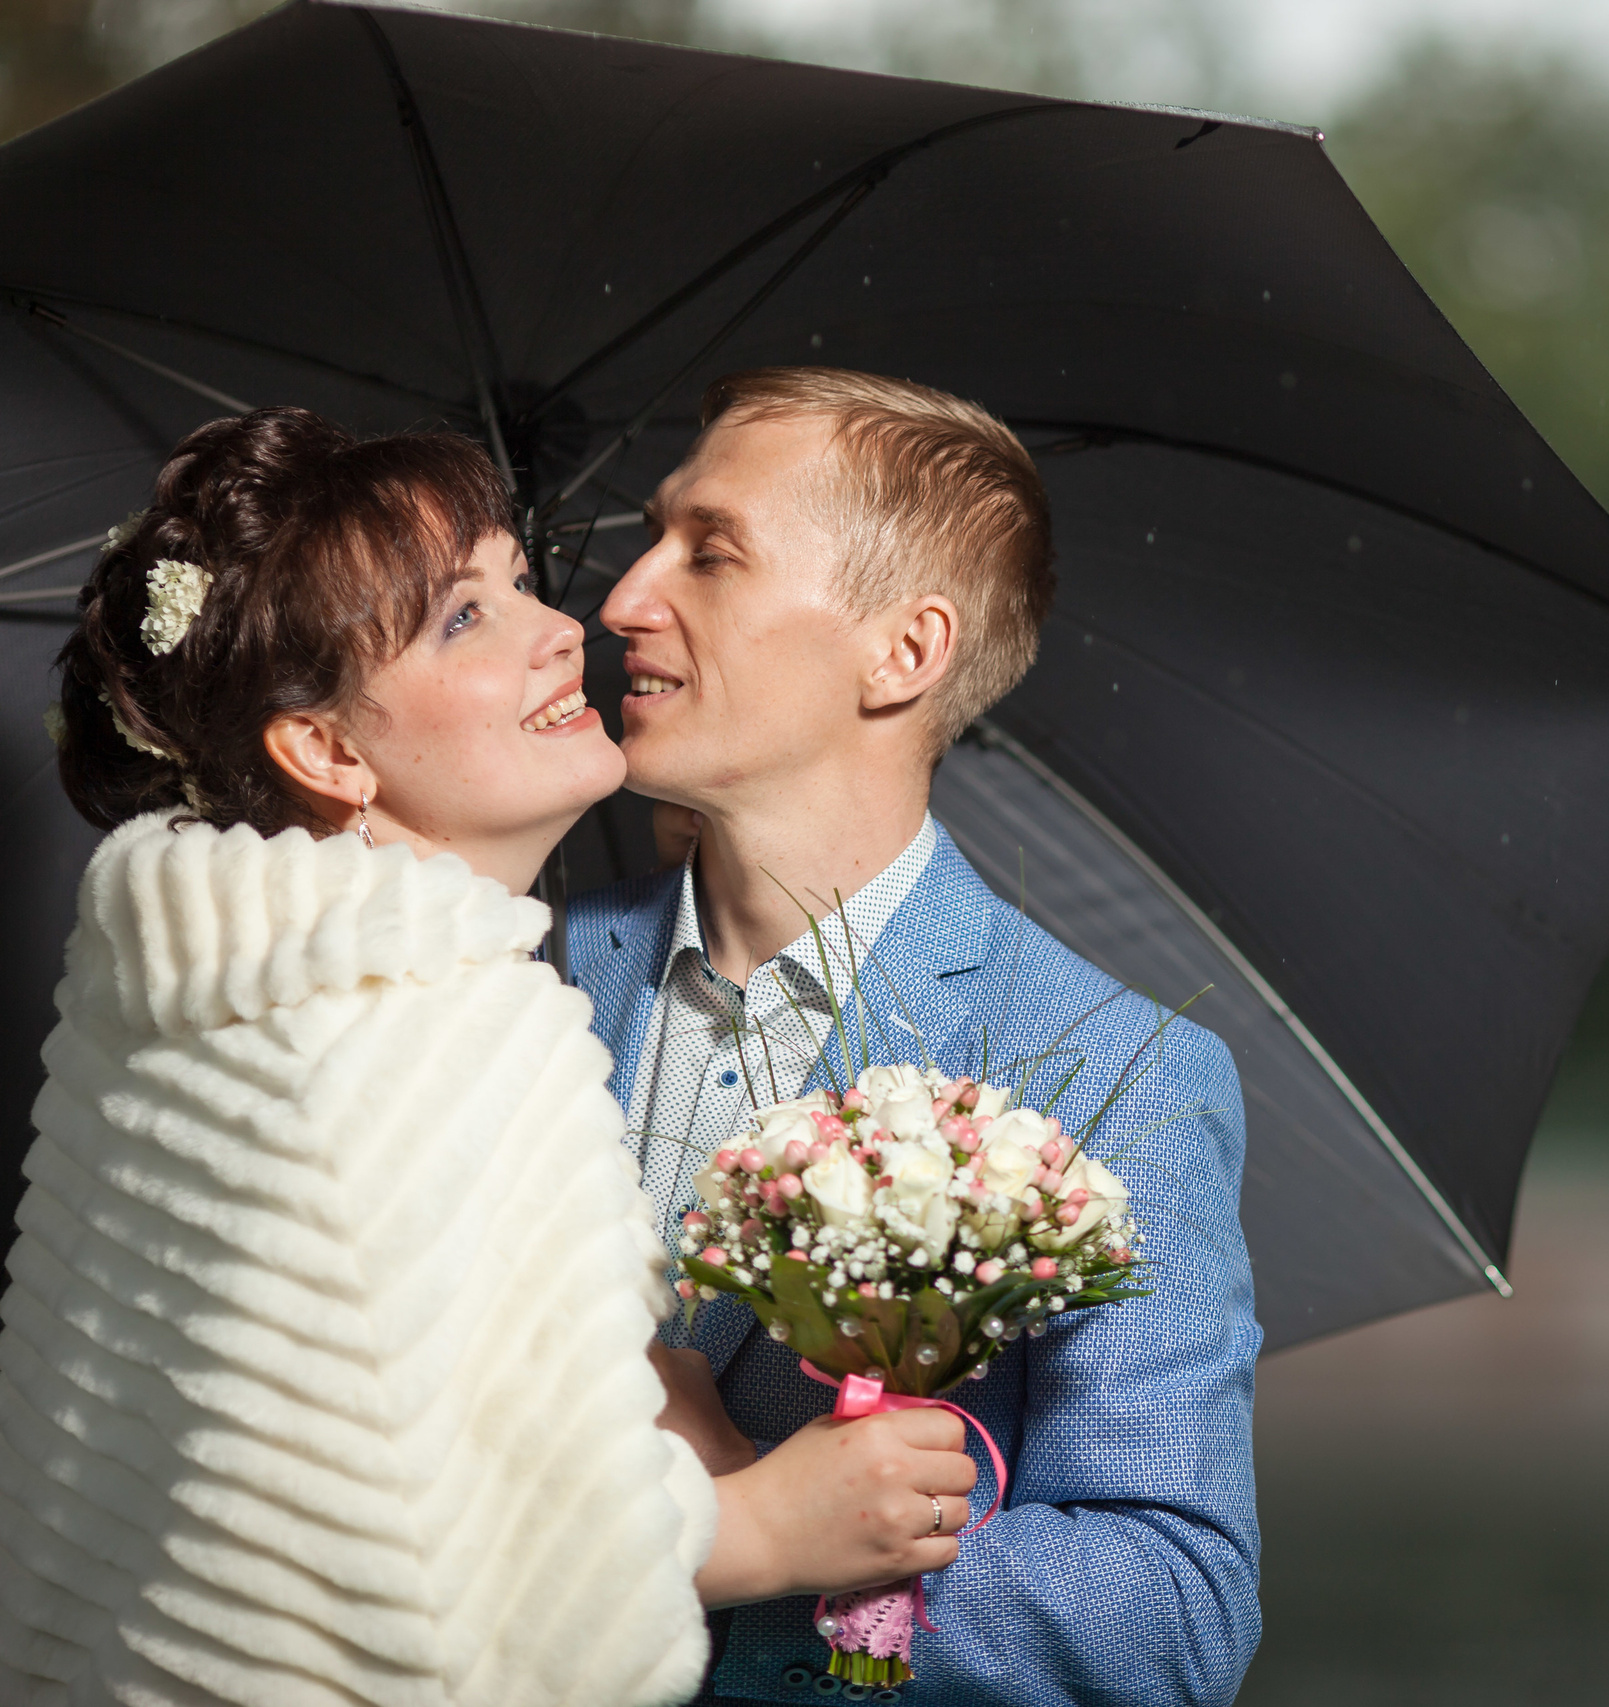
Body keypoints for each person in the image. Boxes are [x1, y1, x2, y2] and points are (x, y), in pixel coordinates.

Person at [0, 408, 973, 1707]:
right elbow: (437, 1572)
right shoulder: (436, 1035)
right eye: (465, 618)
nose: (561, 627)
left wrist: (613, 1369)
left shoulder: (193, 1003)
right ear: (328, 750)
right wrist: (766, 1526)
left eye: (517, 580)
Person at [570, 366, 1262, 1706]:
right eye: (651, 536)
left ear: (906, 651)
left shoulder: (1121, 1077)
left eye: (709, 553)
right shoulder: (517, 969)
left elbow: (1176, 1616)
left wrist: (794, 1550)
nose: (624, 600)